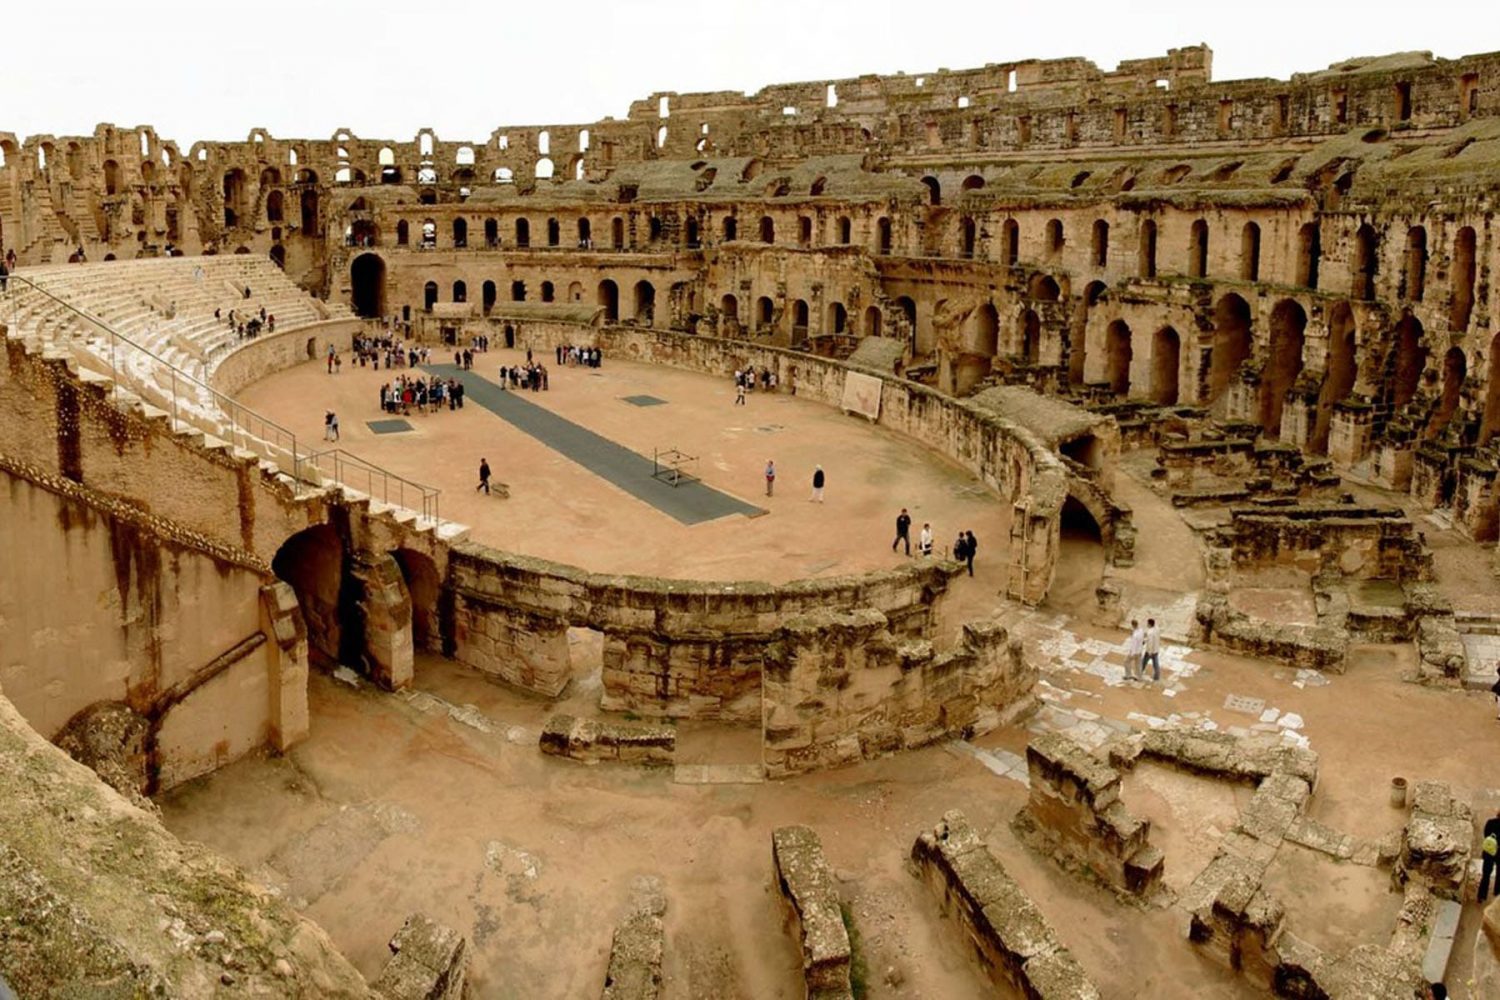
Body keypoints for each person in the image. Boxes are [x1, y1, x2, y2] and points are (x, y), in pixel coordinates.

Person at [1480, 806, 1500, 902]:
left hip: (1489, 852)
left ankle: (1482, 896)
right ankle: (1497, 895)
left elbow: (1486, 835)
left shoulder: (1490, 822)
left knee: (1486, 874)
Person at [1142, 618, 1161, 682]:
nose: (1147, 624)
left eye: (1147, 623)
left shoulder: (1150, 632)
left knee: (1144, 661)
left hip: (1150, 651)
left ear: (1149, 624)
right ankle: (1156, 676)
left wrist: (1149, 652)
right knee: (1156, 664)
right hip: (1156, 649)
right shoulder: (1157, 629)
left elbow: (1150, 642)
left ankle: (1140, 671)